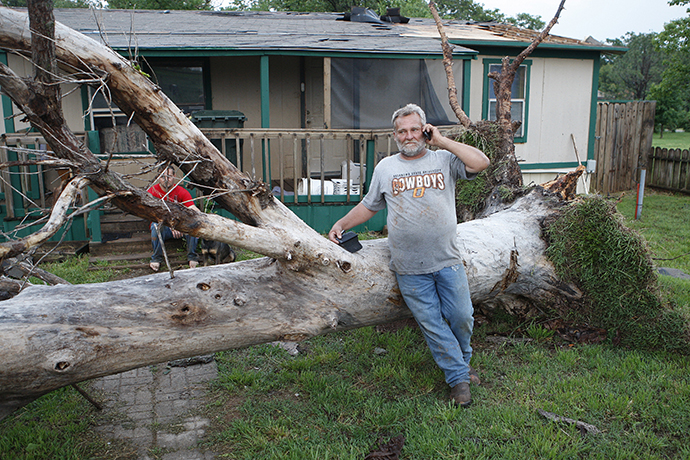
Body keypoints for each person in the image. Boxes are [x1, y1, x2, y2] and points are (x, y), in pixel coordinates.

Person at [328, 103, 490, 407]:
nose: (409, 135)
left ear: (425, 130)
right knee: (432, 323)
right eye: (402, 131)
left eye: (415, 129)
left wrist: (441, 141)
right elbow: (370, 205)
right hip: (409, 266)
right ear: (395, 135)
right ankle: (458, 379)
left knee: (461, 316)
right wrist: (342, 223)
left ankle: (462, 365)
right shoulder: (386, 167)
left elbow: (481, 162)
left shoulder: (444, 159)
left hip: (447, 259)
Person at [147, 165, 201, 271]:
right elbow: (149, 213)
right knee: (156, 226)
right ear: (158, 177)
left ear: (174, 176)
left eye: (169, 176)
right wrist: (171, 225)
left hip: (180, 227)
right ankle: (156, 258)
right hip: (163, 228)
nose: (166, 180)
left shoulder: (181, 191)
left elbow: (192, 208)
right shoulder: (152, 192)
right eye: (162, 177)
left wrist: (201, 217)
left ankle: (192, 257)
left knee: (193, 223)